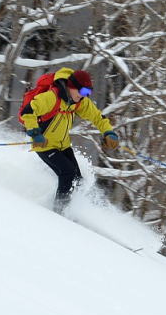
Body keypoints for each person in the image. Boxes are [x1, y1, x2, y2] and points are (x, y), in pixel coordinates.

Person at [20, 67, 119, 213]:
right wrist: (35, 133)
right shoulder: (51, 97)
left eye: (88, 92)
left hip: (63, 145)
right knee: (68, 173)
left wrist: (108, 132)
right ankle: (59, 212)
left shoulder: (78, 101)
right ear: (72, 87)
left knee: (78, 181)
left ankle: (73, 211)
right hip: (44, 145)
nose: (85, 96)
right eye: (84, 92)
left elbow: (97, 117)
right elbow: (28, 111)